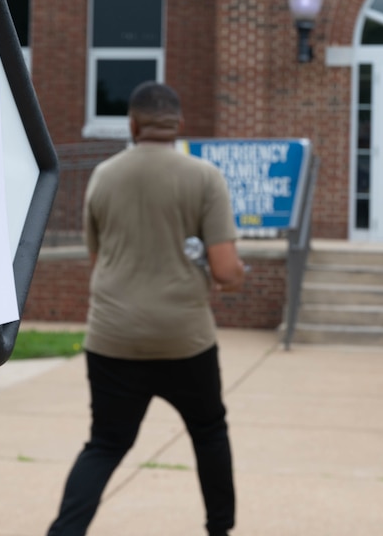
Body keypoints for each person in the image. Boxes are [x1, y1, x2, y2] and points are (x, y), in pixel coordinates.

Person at [47, 81, 246, 536]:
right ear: (179, 125)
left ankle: (64, 532)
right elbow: (225, 268)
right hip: (184, 338)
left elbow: (98, 261)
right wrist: (236, 277)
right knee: (209, 432)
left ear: (133, 124)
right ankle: (220, 529)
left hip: (113, 337)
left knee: (105, 444)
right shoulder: (204, 177)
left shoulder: (102, 176)